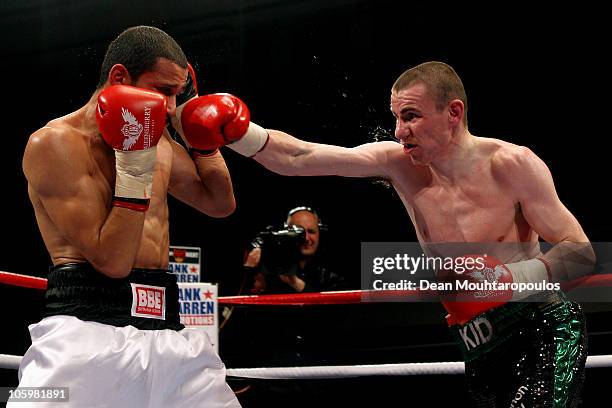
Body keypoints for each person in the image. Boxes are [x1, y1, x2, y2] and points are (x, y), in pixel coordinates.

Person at [192, 61, 594, 406]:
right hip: (475, 341)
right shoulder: (398, 164)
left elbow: (580, 251)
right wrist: (239, 134)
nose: (400, 132)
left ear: (453, 112)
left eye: (411, 116)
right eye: (396, 118)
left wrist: (508, 279)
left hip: (539, 327)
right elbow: (299, 156)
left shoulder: (511, 164)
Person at [16, 26, 253, 407]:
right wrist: (133, 168)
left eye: (179, 94)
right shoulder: (56, 143)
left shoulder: (157, 139)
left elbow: (218, 203)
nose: (172, 107)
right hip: (85, 332)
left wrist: (201, 142)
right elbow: (112, 261)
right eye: (163, 91)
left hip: (170, 329)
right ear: (119, 78)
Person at [244, 206, 348, 294]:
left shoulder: (331, 272)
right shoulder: (273, 264)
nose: (306, 238)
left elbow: (335, 313)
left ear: (320, 233)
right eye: (299, 232)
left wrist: (294, 282)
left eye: (311, 231)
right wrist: (255, 250)